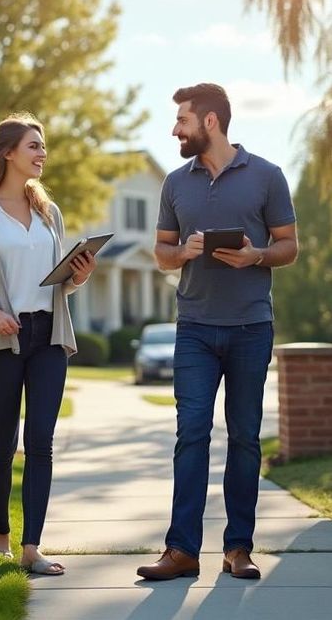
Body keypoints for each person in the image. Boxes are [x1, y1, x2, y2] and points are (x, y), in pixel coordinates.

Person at [137, 83, 298, 581]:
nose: (174, 130)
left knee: (246, 439)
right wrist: (181, 252)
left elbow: (289, 246)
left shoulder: (267, 176)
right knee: (191, 436)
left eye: (181, 120)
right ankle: (181, 551)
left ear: (210, 121)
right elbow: (161, 252)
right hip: (195, 331)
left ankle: (237, 548)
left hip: (252, 327)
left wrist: (256, 256)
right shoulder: (174, 183)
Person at [0, 114, 96, 575]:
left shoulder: (49, 213)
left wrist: (79, 276)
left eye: (43, 146)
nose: (42, 153)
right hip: (2, 340)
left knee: (41, 443)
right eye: (34, 146)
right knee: (3, 444)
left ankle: (32, 547)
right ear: (8, 153)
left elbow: (57, 286)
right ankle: (1, 535)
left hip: (49, 335)